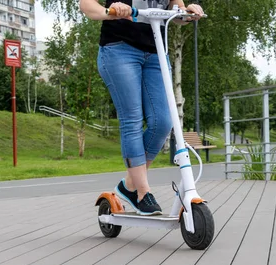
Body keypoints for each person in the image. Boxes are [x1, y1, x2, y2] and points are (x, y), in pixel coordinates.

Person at [79, 0, 204, 215]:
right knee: (132, 120)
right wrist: (109, 13)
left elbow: (176, 9)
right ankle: (141, 192)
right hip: (119, 49)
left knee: (163, 122)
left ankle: (129, 185)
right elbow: (86, 4)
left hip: (157, 51)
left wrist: (188, 13)